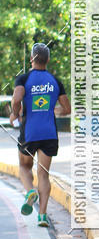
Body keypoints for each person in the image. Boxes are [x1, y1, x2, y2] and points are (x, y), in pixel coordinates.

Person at [9, 43, 71, 227]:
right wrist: (51, 110)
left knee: (24, 167)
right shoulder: (55, 81)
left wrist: (16, 112)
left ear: (31, 59)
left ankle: (30, 192)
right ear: (48, 60)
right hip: (49, 133)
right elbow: (66, 108)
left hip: (30, 132)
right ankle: (42, 216)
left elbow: (17, 98)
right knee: (43, 175)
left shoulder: (23, 78)